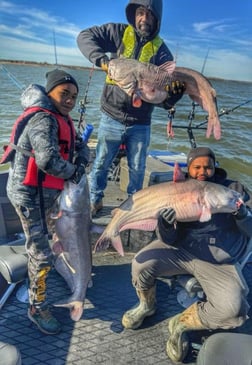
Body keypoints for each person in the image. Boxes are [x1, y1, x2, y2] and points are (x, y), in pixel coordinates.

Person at [121, 146, 252, 362]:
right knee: (140, 264)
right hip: (181, 252)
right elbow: (168, 240)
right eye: (197, 167)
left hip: (219, 262)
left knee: (234, 310)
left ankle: (182, 323)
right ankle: (146, 305)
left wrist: (242, 214)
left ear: (214, 166)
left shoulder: (235, 189)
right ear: (189, 169)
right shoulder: (179, 189)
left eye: (208, 167)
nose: (203, 171)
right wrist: (165, 224)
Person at [0, 69, 89, 335]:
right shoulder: (44, 119)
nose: (70, 100)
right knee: (41, 253)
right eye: (65, 94)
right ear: (50, 93)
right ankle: (36, 307)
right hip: (30, 196)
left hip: (47, 195)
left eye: (74, 95)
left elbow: (77, 145)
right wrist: (74, 171)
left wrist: (82, 156)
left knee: (48, 243)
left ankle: (53, 271)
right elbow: (48, 161)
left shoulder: (62, 117)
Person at [77, 0, 185, 217]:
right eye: (140, 13)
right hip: (111, 115)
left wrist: (174, 95)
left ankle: (132, 209)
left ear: (157, 19)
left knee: (137, 169)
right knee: (100, 163)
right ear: (134, 14)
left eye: (149, 14)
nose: (144, 19)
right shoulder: (117, 32)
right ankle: (94, 200)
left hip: (141, 123)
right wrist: (103, 61)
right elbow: (84, 37)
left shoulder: (162, 52)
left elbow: (164, 100)